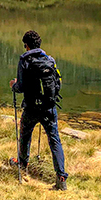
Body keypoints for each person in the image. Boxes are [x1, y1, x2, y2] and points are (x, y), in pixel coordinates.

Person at [9, 30, 68, 191]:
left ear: (26, 45)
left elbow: (20, 87)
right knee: (54, 139)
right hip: (49, 107)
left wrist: (13, 85)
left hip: (31, 107)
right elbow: (58, 83)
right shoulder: (50, 60)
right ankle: (61, 178)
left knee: (25, 134)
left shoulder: (24, 60)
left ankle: (22, 164)